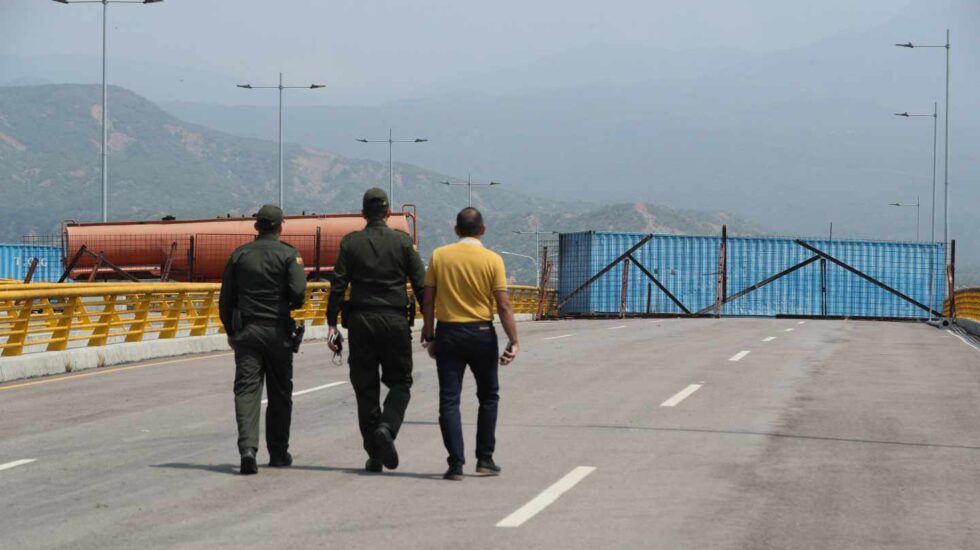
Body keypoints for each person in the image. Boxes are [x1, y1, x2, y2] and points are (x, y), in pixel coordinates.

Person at [327, 188, 426, 473]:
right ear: (387, 213)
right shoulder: (403, 243)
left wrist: (331, 322)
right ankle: (387, 427)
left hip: (361, 322)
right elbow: (421, 285)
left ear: (363, 214)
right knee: (400, 383)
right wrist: (430, 324)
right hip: (395, 321)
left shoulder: (351, 243)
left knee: (365, 390)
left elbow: (338, 283)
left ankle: (375, 454)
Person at [421, 207, 519, 481]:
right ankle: (485, 459)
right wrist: (514, 340)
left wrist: (429, 335)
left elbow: (428, 299)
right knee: (488, 396)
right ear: (483, 230)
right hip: (481, 333)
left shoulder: (439, 256)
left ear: (456, 230)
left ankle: (455, 464)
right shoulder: (493, 260)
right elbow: (503, 304)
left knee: (449, 399)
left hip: (449, 333)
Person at [219, 204, 307, 475]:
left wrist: (231, 333)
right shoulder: (289, 255)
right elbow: (299, 294)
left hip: (247, 333)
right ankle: (278, 453)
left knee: (246, 392)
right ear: (281, 226)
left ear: (256, 227)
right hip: (278, 333)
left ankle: (248, 449)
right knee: (280, 394)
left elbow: (225, 301)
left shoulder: (240, 255)